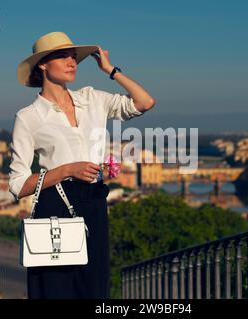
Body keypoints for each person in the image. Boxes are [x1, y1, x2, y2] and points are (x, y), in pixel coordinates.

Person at [9, 31, 156, 299]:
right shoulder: (28, 117)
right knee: (57, 290)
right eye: (63, 57)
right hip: (55, 204)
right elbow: (18, 186)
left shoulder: (92, 98)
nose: (72, 62)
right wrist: (67, 170)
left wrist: (111, 70)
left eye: (74, 57)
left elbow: (144, 102)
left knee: (94, 288)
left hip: (94, 202)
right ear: (42, 64)